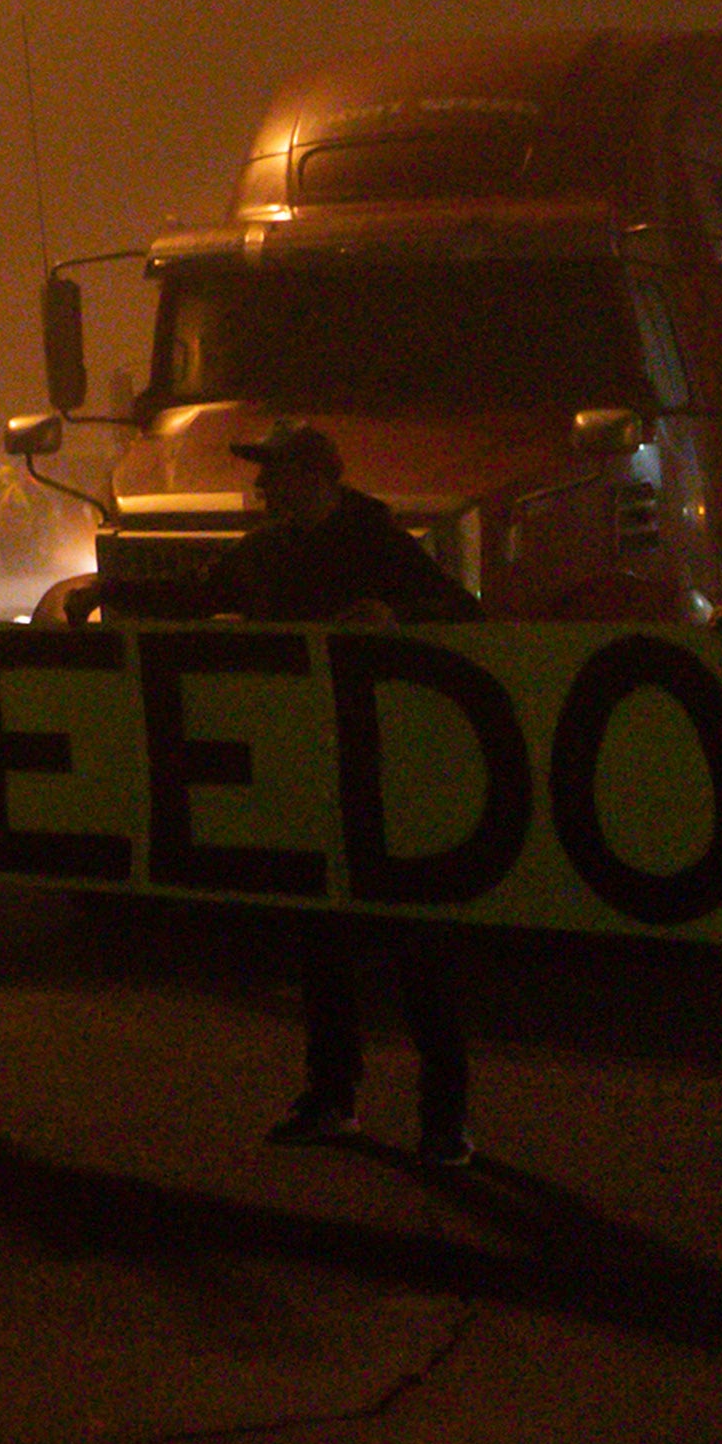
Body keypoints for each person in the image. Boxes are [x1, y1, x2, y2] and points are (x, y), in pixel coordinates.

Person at [195, 418, 478, 1164]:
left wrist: (397, 616)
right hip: (314, 763)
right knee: (321, 942)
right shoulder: (265, 553)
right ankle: (332, 1096)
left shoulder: (376, 542)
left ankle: (444, 1119)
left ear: (317, 476)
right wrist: (105, 590)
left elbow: (461, 610)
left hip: (391, 766)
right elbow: (195, 594)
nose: (259, 486)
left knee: (421, 949)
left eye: (273, 472)